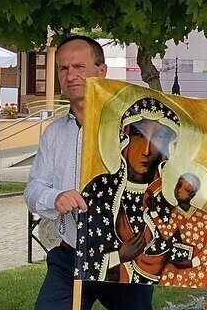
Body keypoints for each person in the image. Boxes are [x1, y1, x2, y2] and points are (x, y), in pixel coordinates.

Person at [20, 36, 170, 310]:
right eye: (63, 68)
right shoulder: (55, 134)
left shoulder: (133, 130)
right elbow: (33, 190)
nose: (71, 75)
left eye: (79, 66)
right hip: (69, 258)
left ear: (101, 71)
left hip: (123, 263)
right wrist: (56, 198)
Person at [77, 96, 182, 284]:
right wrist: (119, 256)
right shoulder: (100, 190)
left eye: (158, 137)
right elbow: (87, 251)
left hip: (142, 293)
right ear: (124, 138)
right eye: (139, 135)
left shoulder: (169, 196)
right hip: (96, 284)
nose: (147, 150)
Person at [151, 173, 207, 288]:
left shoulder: (205, 218)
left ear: (192, 194)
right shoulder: (176, 213)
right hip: (183, 259)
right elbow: (167, 234)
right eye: (178, 186)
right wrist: (154, 213)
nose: (179, 191)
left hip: (201, 263)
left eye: (186, 189)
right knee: (169, 274)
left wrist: (193, 262)